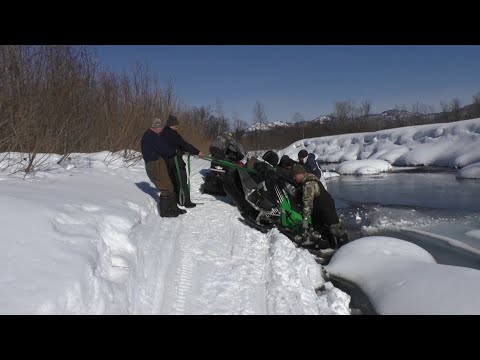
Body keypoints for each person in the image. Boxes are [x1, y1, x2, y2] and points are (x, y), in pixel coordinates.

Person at [292, 164, 349, 248]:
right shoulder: (305, 181)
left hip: (326, 206)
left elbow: (307, 203)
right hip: (317, 208)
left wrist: (305, 221)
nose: (293, 178)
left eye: (295, 176)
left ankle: (345, 247)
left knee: (334, 227)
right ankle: (331, 244)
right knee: (318, 226)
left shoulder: (309, 184)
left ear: (301, 173)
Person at [140, 118, 186, 218]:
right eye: (161, 128)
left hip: (156, 163)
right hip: (155, 164)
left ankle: (174, 209)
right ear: (156, 127)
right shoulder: (151, 137)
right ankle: (166, 212)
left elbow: (163, 147)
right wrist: (175, 151)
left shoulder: (151, 135)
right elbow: (164, 149)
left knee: (169, 186)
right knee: (166, 187)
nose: (161, 130)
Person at [159, 114, 205, 208]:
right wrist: (197, 152)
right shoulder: (173, 134)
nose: (177, 127)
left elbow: (173, 146)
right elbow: (184, 144)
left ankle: (177, 199)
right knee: (182, 180)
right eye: (176, 125)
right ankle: (186, 201)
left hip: (166, 161)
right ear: (171, 125)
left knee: (173, 180)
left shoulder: (163, 133)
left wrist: (181, 150)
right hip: (175, 160)